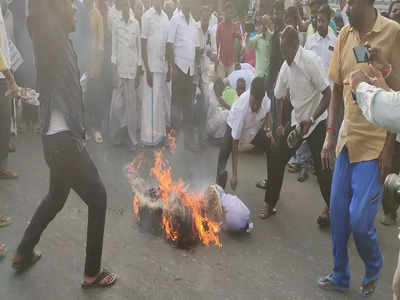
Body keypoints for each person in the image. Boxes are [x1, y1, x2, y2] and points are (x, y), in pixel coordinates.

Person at [12, 0, 117, 288]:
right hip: (62, 141)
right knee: (98, 197)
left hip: (59, 140)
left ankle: (22, 251)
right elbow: (36, 13)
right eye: (70, 7)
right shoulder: (50, 36)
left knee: (56, 197)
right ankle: (92, 271)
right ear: (56, 10)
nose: (75, 11)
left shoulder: (65, 44)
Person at [318, 0, 400, 296]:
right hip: (346, 141)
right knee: (339, 214)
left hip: (375, 146)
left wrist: (389, 149)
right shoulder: (344, 35)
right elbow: (336, 91)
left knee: (360, 220)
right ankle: (340, 274)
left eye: (349, 2)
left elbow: (398, 95)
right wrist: (329, 133)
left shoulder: (393, 33)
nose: (345, 6)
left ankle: (374, 263)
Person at [260, 26, 332, 226]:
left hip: (316, 123)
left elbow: (327, 94)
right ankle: (270, 203)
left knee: (323, 170)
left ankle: (334, 209)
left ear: (294, 45)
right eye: (280, 49)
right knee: (277, 158)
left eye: (285, 48)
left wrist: (312, 117)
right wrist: (281, 123)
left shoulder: (311, 61)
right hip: (297, 125)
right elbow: (278, 95)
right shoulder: (286, 66)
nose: (282, 53)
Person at [215, 77, 271, 191]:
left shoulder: (265, 100)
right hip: (233, 126)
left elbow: (267, 113)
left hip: (253, 128)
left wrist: (268, 128)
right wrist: (235, 175)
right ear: (250, 94)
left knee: (271, 147)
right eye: (253, 102)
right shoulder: (241, 110)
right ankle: (218, 189)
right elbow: (235, 145)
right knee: (223, 154)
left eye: (258, 103)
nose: (255, 106)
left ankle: (271, 182)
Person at [167, 0, 200, 151]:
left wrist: (196, 69)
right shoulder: (175, 19)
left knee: (188, 107)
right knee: (175, 105)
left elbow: (196, 48)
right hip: (178, 68)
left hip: (190, 70)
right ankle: (173, 141)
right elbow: (169, 44)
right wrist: (172, 67)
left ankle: (187, 142)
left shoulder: (194, 23)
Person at [109, 0, 142, 151]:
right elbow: (114, 49)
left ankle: (132, 139)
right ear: (121, 8)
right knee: (116, 105)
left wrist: (138, 71)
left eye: (127, 5)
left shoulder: (136, 24)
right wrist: (114, 70)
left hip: (132, 70)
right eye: (123, 6)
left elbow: (139, 50)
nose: (126, 8)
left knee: (132, 107)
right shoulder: (116, 22)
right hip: (119, 70)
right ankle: (116, 135)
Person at [141, 0, 170, 146]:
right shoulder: (147, 16)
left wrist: (169, 67)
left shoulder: (166, 17)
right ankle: (148, 138)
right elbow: (143, 43)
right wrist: (147, 69)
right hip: (151, 68)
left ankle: (158, 135)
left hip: (162, 66)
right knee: (149, 102)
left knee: (159, 101)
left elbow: (167, 44)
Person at [86, 0, 105, 144]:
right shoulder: (78, 12)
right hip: (80, 63)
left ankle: (96, 129)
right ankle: (84, 129)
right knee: (82, 98)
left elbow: (100, 43)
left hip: (94, 63)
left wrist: (97, 64)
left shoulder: (97, 15)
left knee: (95, 96)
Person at [304, 4, 337, 85]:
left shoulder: (335, 42)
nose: (320, 24)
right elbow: (304, 65)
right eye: (318, 21)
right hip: (314, 91)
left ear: (329, 22)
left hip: (330, 89)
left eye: (323, 21)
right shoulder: (310, 41)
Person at [216, 2, 240, 78]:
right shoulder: (220, 26)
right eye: (227, 12)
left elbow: (240, 40)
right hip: (221, 61)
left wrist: (237, 35)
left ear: (232, 14)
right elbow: (216, 44)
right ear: (224, 13)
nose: (228, 15)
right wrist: (216, 60)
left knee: (231, 84)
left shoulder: (235, 26)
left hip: (231, 62)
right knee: (221, 85)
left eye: (230, 13)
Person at [245, 15, 272, 79]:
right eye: (262, 23)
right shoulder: (258, 38)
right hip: (259, 75)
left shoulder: (272, 37)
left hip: (269, 75)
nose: (262, 25)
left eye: (265, 23)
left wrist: (266, 28)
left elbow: (270, 36)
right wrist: (248, 34)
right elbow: (249, 46)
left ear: (270, 24)